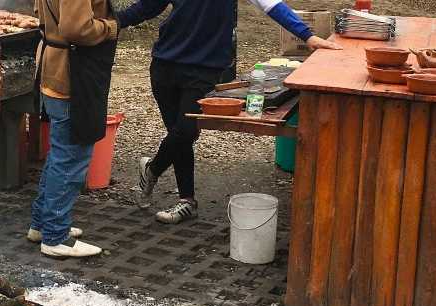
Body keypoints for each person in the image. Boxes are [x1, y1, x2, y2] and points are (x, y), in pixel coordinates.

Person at [116, 0, 341, 224]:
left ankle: (152, 170)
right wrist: (111, 24)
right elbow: (148, 7)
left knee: (186, 131)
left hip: (205, 67)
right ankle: (187, 201)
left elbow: (271, 5)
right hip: (164, 63)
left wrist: (307, 36)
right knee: (178, 134)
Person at [28, 0, 119, 258]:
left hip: (53, 66)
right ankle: (55, 236)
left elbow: (41, 12)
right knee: (71, 156)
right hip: (69, 73)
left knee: (60, 153)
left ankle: (41, 225)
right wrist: (110, 27)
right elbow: (76, 28)